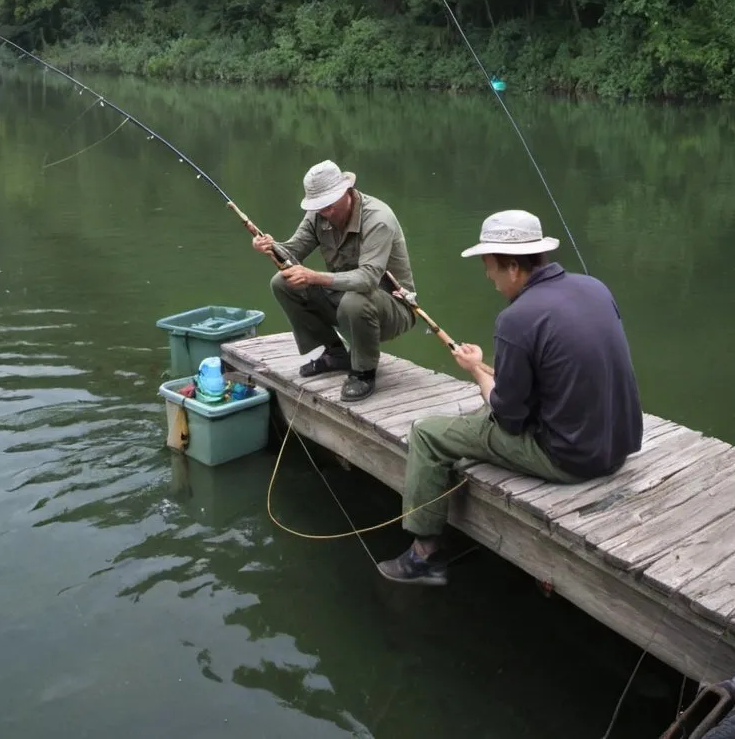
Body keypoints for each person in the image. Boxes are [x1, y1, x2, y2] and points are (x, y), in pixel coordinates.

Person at [377, 209, 643, 585]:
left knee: (426, 434)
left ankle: (425, 557)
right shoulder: (595, 288)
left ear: (514, 267)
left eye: (491, 267)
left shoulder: (516, 318)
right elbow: (553, 371)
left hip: (571, 459)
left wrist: (475, 373)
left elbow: (507, 417)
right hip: (618, 447)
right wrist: (484, 365)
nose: (489, 277)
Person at [251, 160, 417, 401]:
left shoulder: (378, 218)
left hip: (393, 307)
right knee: (282, 282)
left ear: (346, 192)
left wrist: (313, 276)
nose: (324, 212)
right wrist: (268, 246)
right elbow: (292, 251)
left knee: (355, 301)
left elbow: (368, 279)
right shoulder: (318, 215)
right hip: (345, 298)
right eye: (319, 206)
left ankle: (364, 371)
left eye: (329, 205)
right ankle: (335, 352)